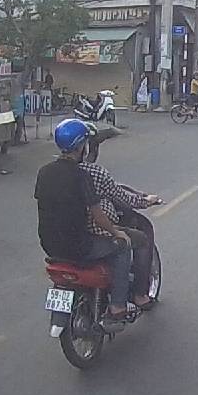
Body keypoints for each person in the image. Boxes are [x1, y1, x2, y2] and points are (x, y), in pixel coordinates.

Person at [35, 119, 144, 324]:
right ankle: (118, 306)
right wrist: (116, 233)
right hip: (79, 246)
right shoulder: (81, 175)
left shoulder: (44, 172)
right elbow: (97, 215)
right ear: (81, 146)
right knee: (123, 247)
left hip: (49, 245)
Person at [76, 134, 156, 310]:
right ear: (84, 147)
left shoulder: (51, 173)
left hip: (59, 239)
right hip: (91, 235)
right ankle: (128, 301)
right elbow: (110, 205)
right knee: (129, 242)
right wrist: (146, 201)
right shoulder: (93, 173)